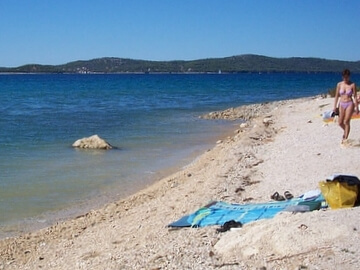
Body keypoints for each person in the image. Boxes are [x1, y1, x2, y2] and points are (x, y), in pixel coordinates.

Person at [333, 69, 359, 143]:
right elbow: (336, 96)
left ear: (349, 76)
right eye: (344, 77)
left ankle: (345, 138)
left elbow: (355, 96)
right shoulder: (339, 84)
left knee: (346, 121)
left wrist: (357, 107)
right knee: (340, 122)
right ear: (342, 77)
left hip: (349, 103)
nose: (346, 79)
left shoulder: (352, 84)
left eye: (347, 77)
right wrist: (335, 106)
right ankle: (346, 131)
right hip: (341, 104)